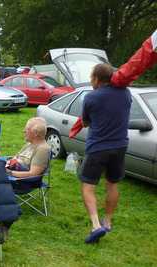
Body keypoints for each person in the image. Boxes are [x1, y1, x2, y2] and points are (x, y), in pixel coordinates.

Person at [79, 63, 131, 244]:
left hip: (98, 148)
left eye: (91, 77)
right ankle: (107, 221)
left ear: (96, 79)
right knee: (112, 184)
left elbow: (85, 122)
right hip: (120, 146)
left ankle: (96, 225)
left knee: (88, 186)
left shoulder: (91, 97)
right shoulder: (126, 93)